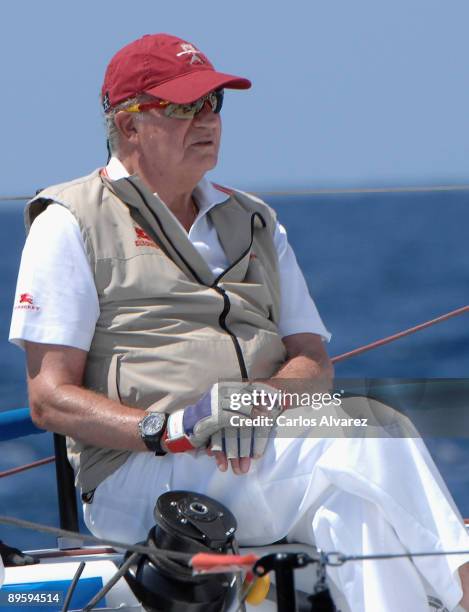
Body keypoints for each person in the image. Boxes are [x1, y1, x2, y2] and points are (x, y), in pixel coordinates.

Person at [8, 33, 469, 611]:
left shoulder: (255, 222)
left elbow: (313, 361)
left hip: (260, 450)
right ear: (129, 127)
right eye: (183, 107)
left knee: (352, 510)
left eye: (213, 104)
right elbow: (49, 400)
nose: (207, 120)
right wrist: (171, 426)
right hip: (140, 473)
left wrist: (258, 403)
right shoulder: (69, 221)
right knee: (368, 428)